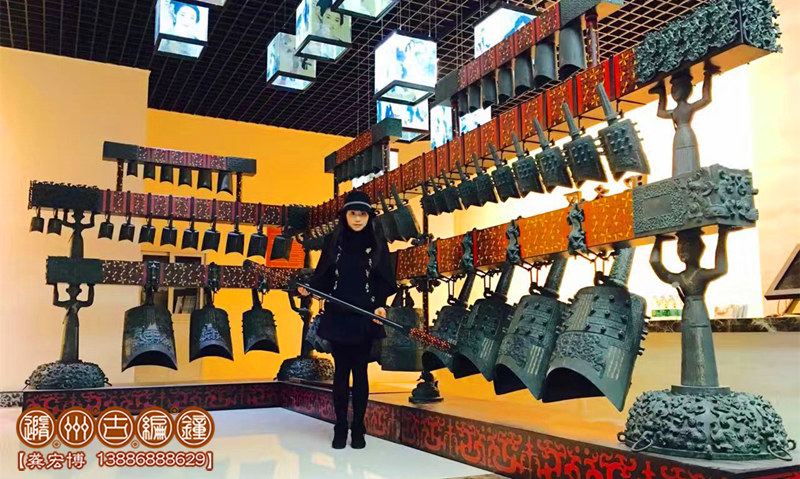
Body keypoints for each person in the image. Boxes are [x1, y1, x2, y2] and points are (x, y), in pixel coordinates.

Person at [297, 191, 397, 450]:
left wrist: (380, 305)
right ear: (345, 216)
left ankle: (359, 428)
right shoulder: (334, 241)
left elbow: (384, 278)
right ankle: (340, 426)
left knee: (360, 373)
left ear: (369, 216)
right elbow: (324, 276)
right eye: (353, 214)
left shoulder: (376, 242)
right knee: (341, 373)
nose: (358, 219)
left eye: (362, 214)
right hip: (339, 315)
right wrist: (309, 288)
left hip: (364, 316)